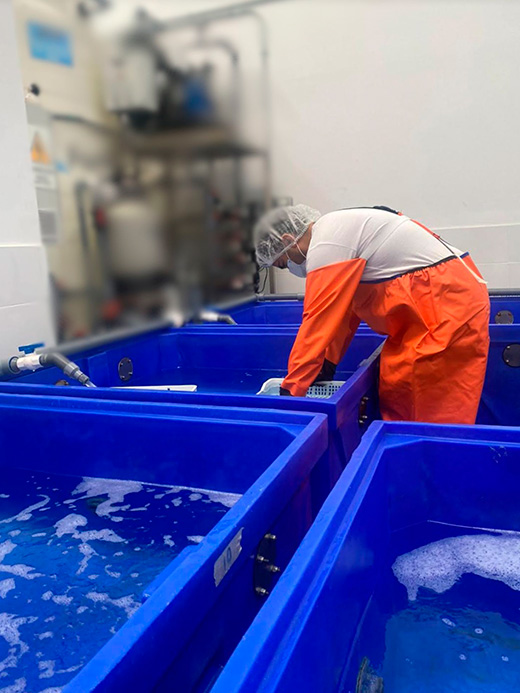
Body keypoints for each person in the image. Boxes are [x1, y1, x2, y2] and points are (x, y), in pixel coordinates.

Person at [254, 204, 490, 424]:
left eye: (283, 263)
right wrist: (328, 362)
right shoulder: (338, 231)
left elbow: (318, 320)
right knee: (400, 386)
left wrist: (291, 390)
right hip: (435, 307)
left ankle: (429, 461)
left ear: (288, 240)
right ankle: (408, 456)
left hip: (446, 305)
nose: (291, 268)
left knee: (432, 409)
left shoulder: (326, 246)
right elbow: (344, 311)